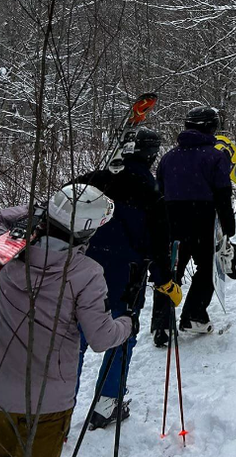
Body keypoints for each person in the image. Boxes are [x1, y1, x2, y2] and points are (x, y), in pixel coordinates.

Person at [0, 185, 134, 457]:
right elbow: (102, 339)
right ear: (87, 231)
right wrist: (127, 322)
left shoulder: (6, 249)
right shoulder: (86, 273)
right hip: (46, 402)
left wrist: (37, 211)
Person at [72, 128, 178, 428]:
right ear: (150, 154)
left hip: (80, 274)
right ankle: (107, 404)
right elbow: (159, 245)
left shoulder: (90, 180)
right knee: (121, 335)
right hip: (124, 279)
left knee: (74, 338)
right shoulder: (150, 190)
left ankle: (61, 407)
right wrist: (165, 281)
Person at [155, 106, 236, 335]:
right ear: (210, 127)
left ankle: (161, 324)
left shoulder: (169, 157)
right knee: (209, 266)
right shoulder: (215, 156)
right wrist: (229, 227)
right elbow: (223, 194)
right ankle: (193, 315)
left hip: (173, 219)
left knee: (172, 269)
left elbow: (159, 192)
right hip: (204, 218)